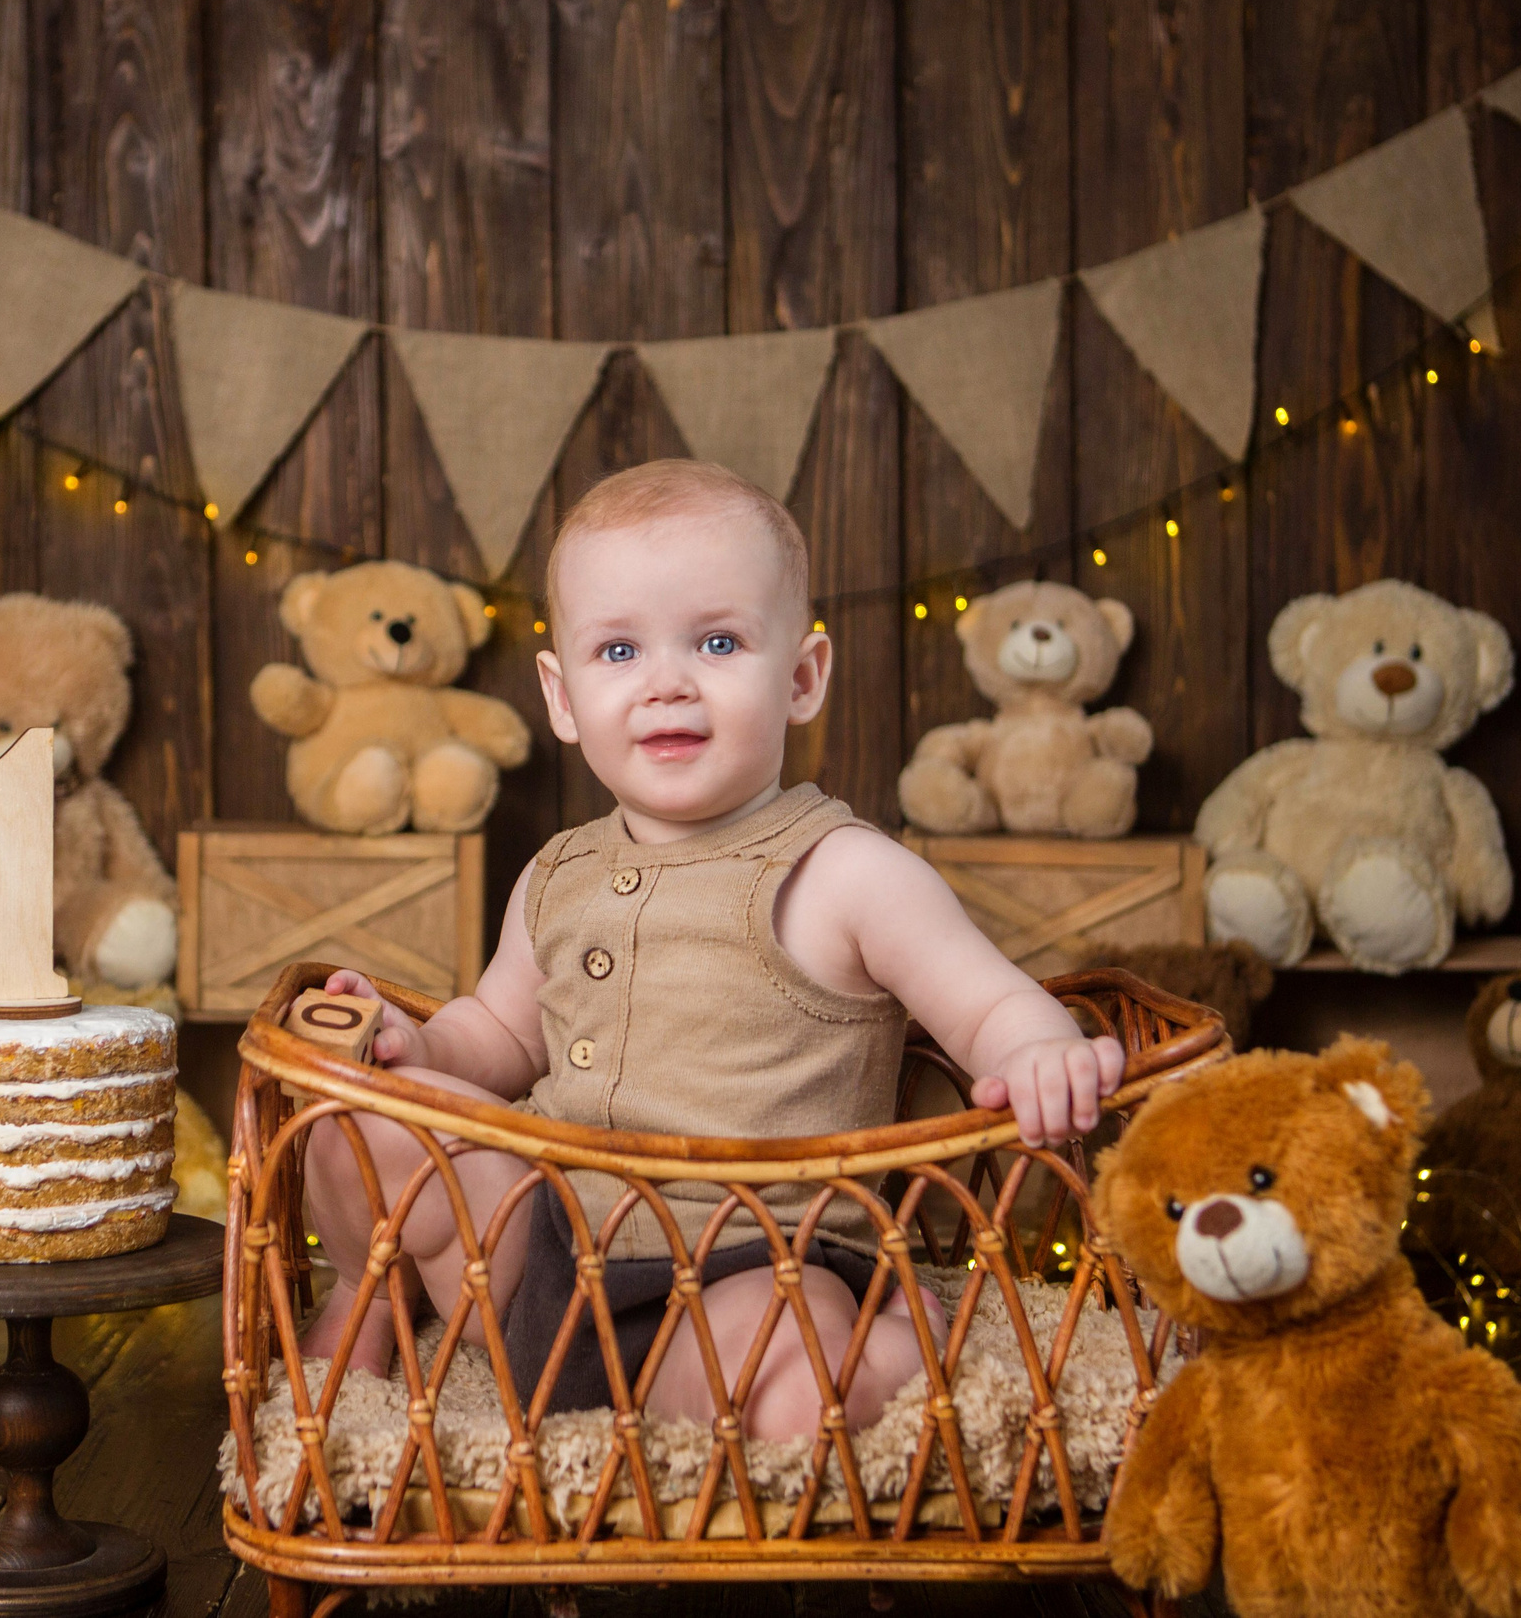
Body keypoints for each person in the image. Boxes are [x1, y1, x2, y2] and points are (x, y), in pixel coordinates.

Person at [299, 458, 1125, 1439]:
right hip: (543, 1253)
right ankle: (365, 1290)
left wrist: (1037, 1050)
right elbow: (499, 1037)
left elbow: (989, 1002)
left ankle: (872, 1347)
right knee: (356, 1123)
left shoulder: (845, 871)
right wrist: (416, 1048)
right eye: (618, 651)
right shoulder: (557, 872)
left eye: (718, 641)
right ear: (562, 698)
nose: (666, 685)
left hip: (756, 1263)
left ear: (802, 678)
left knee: (792, 1381)